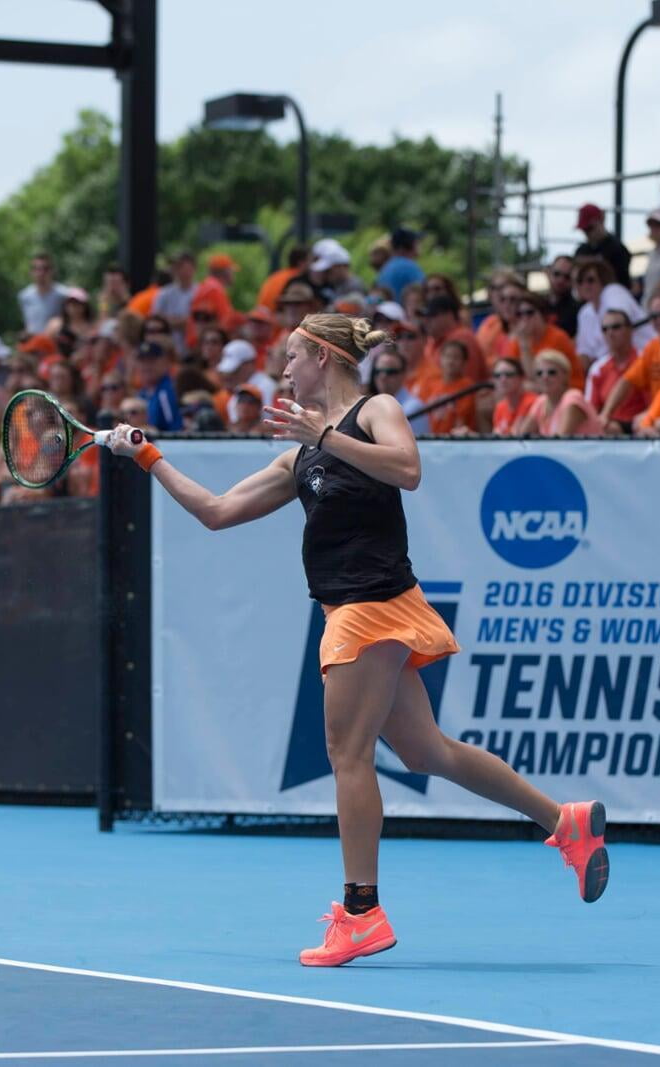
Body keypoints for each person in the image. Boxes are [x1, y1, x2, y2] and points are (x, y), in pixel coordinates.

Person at [106, 313, 611, 966]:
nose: (283, 370)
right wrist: (147, 455)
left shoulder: (376, 410)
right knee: (427, 750)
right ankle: (564, 822)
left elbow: (407, 468)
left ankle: (362, 911)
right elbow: (217, 511)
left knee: (348, 756)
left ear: (321, 356)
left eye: (291, 357)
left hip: (370, 606)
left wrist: (326, 434)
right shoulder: (300, 457)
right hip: (369, 607)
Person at [599, 290, 660, 426]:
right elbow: (626, 381)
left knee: (641, 423)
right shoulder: (652, 347)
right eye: (655, 316)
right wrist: (605, 415)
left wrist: (651, 414)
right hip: (657, 415)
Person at [573, 258, 651, 361]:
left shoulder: (613, 292)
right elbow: (585, 353)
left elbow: (619, 335)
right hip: (615, 365)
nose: (585, 285)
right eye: (579, 281)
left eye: (590, 280)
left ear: (603, 280)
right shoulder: (584, 313)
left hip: (644, 356)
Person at [517, 349, 603, 438]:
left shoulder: (573, 398)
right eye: (539, 373)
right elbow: (522, 438)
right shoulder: (541, 401)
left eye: (552, 372)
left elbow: (560, 442)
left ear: (565, 375)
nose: (545, 377)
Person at [585, 308, 646, 428]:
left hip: (642, 424)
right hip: (611, 428)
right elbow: (590, 410)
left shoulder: (645, 359)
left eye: (616, 327)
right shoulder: (598, 368)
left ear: (630, 329)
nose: (610, 333)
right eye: (605, 329)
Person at [573, 203, 632, 288]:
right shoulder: (581, 250)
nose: (587, 233)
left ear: (601, 220)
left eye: (589, 228)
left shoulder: (617, 249)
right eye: (584, 230)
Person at [488, 357, 539, 436]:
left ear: (521, 378)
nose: (503, 379)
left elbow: (518, 436)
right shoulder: (500, 407)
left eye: (509, 375)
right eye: (497, 375)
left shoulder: (532, 402)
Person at [19, 252, 67, 334]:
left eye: (45, 268)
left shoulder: (63, 294)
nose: (41, 273)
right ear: (31, 272)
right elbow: (28, 323)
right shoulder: (24, 296)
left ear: (52, 271)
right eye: (36, 269)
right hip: (34, 342)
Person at [376, 228, 425, 300]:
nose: (419, 244)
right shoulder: (409, 267)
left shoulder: (386, 267)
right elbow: (423, 293)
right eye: (416, 242)